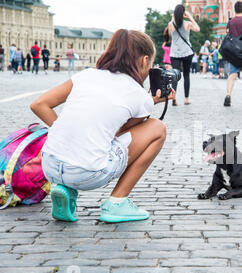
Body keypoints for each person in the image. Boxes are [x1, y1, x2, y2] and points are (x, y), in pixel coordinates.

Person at [31, 29, 173, 224]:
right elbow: (118, 132)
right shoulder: (139, 95)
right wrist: (151, 103)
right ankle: (117, 203)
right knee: (157, 128)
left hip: (50, 165)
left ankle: (64, 189)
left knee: (86, 142)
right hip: (88, 173)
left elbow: (39, 104)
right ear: (144, 61)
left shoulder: (86, 75)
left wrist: (69, 134)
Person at [167, 4, 200, 106]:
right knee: (186, 75)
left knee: (175, 76)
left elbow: (169, 35)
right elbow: (198, 29)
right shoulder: (188, 24)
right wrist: (190, 16)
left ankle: (174, 98)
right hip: (187, 53)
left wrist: (173, 17)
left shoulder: (171, 24)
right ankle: (186, 99)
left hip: (175, 53)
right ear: (183, 13)